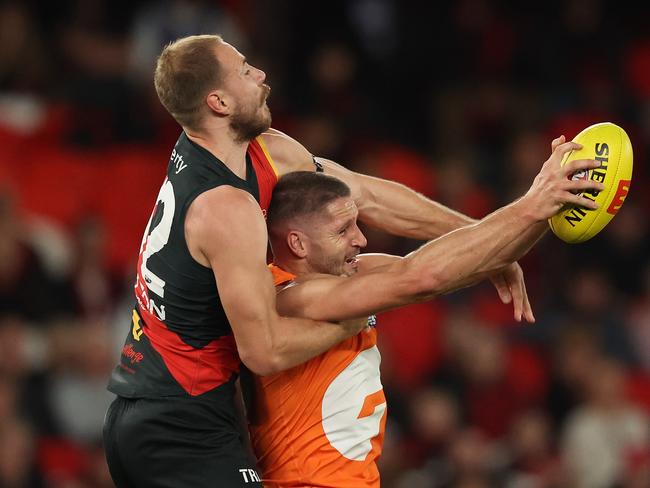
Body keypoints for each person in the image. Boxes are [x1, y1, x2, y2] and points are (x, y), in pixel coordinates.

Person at [101, 33, 565, 487]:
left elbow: (364, 195)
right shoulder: (225, 207)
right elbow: (263, 350)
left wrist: (481, 237)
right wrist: (355, 316)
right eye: (244, 70)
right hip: (177, 420)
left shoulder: (262, 151)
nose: (261, 73)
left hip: (172, 408)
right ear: (219, 103)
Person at [248, 135, 603, 488]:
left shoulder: (347, 272)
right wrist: (531, 205)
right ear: (297, 243)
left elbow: (457, 268)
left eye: (357, 224)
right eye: (343, 230)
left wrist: (542, 216)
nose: (361, 239)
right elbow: (420, 276)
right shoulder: (291, 298)